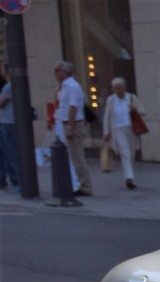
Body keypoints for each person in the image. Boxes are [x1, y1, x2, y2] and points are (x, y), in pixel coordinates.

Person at [54, 60, 92, 197]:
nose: (55, 73)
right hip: (67, 122)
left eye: (57, 70)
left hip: (74, 123)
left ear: (65, 72)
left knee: (77, 156)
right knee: (74, 156)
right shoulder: (64, 86)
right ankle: (82, 184)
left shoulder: (71, 86)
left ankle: (85, 186)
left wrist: (70, 126)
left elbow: (73, 107)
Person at [101, 78, 146, 190]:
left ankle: (129, 173)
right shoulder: (111, 100)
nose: (117, 90)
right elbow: (107, 117)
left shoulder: (131, 98)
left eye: (119, 87)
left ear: (124, 87)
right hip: (117, 129)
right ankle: (129, 177)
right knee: (125, 152)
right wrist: (106, 132)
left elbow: (143, 111)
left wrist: (134, 108)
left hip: (130, 128)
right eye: (115, 88)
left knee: (131, 153)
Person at [0, 64, 19, 193]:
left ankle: (17, 181)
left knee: (10, 153)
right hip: (9, 121)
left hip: (7, 122)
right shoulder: (11, 85)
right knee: (8, 153)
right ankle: (15, 180)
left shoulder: (8, 86)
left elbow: (1, 103)